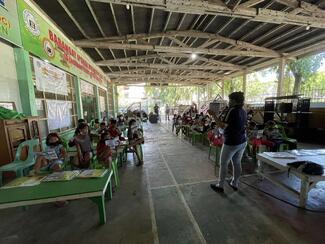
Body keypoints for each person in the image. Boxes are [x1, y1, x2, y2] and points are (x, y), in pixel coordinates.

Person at [209, 92, 247, 193]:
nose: (229, 102)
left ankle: (220, 185)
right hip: (242, 141)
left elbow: (222, 125)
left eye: (230, 100)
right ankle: (235, 183)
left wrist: (213, 115)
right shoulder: (243, 111)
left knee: (223, 163)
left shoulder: (232, 110)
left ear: (234, 101)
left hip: (231, 142)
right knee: (237, 163)